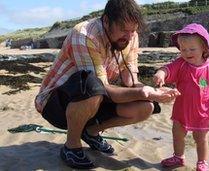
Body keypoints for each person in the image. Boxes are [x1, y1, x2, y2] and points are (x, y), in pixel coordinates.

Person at [34, 0, 180, 169]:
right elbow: (99, 86)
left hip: (94, 99)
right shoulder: (84, 34)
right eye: (124, 29)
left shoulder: (131, 37)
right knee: (91, 84)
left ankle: (91, 132)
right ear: (106, 21)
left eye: (133, 30)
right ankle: (71, 146)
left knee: (146, 107)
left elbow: (130, 80)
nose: (129, 35)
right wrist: (143, 92)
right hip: (55, 104)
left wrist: (154, 91)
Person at [153, 23, 209, 171]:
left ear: (204, 48)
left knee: (201, 138)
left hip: (202, 112)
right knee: (177, 134)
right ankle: (178, 157)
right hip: (181, 110)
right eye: (183, 49)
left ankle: (202, 162)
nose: (187, 53)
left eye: (192, 49)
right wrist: (161, 73)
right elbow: (168, 68)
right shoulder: (181, 64)